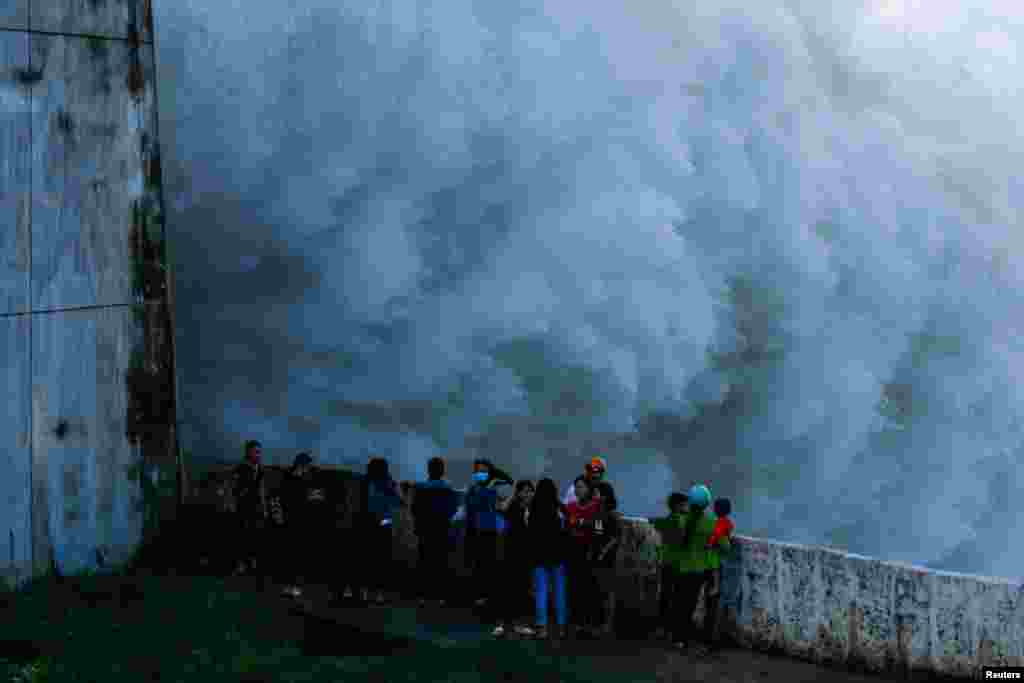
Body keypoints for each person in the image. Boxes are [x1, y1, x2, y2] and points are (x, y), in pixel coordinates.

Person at [667, 483, 731, 655]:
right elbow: (725, 546)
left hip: (682, 566)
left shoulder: (682, 518)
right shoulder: (712, 523)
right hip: (702, 568)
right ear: (707, 502)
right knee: (704, 604)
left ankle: (679, 639)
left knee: (682, 603)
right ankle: (706, 641)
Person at [276, 453, 331, 598]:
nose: (308, 468)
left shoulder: (292, 477)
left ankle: (293, 585)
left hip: (297, 521)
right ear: (302, 465)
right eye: (307, 465)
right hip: (296, 521)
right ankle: (292, 585)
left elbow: (317, 497)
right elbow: (316, 498)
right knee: (294, 555)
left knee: (294, 555)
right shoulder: (302, 478)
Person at [349, 456, 402, 605]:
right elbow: (399, 501)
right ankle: (378, 593)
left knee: (366, 559)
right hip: (383, 524)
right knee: (381, 560)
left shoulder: (365, 482)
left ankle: (364, 591)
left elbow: (360, 503)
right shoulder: (388, 483)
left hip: (366, 524)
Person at [464, 459, 511, 617]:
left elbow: (509, 482)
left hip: (490, 532)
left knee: (489, 567)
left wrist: (495, 475)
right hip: (475, 532)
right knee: (477, 567)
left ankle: (488, 600)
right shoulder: (473, 489)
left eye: (484, 471)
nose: (481, 473)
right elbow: (470, 509)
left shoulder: (494, 488)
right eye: (478, 470)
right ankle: (479, 599)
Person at [411, 456, 460, 608]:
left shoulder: (420, 488)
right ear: (442, 470)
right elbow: (453, 509)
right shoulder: (448, 488)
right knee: (441, 563)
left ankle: (422, 596)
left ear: (429, 470)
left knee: (424, 562)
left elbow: (414, 509)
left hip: (425, 530)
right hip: (442, 529)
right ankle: (441, 597)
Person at [493, 479, 536, 637]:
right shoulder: (513, 507)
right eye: (524, 491)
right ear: (518, 493)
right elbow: (500, 508)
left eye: (530, 491)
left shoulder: (534, 509)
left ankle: (520, 624)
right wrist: (512, 496)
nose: (528, 494)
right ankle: (500, 624)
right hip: (509, 553)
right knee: (505, 589)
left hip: (526, 555)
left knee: (523, 590)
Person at [527, 478, 569, 640]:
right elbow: (566, 526)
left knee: (541, 592)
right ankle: (561, 628)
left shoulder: (533, 509)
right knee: (559, 592)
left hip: (539, 556)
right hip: (558, 556)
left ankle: (542, 627)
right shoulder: (559, 509)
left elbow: (530, 533)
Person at [565, 475, 602, 637]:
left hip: (589, 551)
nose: (578, 490)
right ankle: (576, 624)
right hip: (573, 551)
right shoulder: (570, 507)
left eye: (581, 486)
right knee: (574, 588)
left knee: (589, 589)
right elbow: (566, 525)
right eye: (576, 487)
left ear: (589, 489)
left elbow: (599, 529)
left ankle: (591, 625)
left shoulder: (597, 506)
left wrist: (580, 523)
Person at [650, 492, 688, 640]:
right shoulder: (681, 520)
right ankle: (671, 629)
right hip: (678, 564)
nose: (687, 507)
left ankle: (662, 627)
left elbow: (657, 526)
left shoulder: (668, 520)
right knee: (677, 598)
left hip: (666, 562)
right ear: (679, 506)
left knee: (665, 596)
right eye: (685, 504)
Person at [588, 481, 622, 638]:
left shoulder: (612, 514)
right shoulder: (597, 512)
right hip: (596, 557)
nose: (594, 496)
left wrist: (603, 552)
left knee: (607, 592)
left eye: (596, 493)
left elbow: (615, 537)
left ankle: (608, 626)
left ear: (605, 495)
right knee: (598, 592)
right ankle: (599, 624)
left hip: (607, 559)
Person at [230, 440, 267, 576]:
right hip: (243, 507)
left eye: (259, 452)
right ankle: (241, 564)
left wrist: (264, 508)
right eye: (256, 451)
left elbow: (261, 489)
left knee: (255, 536)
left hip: (256, 508)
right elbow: (233, 487)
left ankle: (252, 562)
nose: (258, 454)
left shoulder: (260, 469)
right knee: (241, 536)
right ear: (248, 452)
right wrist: (234, 502)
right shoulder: (240, 468)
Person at [704, 497, 735, 651]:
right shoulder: (728, 522)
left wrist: (709, 543)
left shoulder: (720, 523)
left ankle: (712, 638)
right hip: (724, 560)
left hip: (717, 559)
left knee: (715, 573)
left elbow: (716, 535)